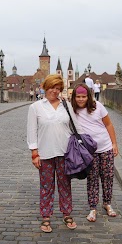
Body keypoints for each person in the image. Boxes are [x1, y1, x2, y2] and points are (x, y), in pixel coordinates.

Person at [27, 74, 82, 233]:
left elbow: (76, 127)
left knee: (65, 185)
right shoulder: (36, 107)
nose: (55, 91)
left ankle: (67, 214)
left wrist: (81, 147)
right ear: (45, 87)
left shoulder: (66, 105)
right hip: (45, 153)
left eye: (58, 88)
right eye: (52, 87)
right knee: (46, 186)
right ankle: (46, 216)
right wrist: (34, 153)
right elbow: (32, 131)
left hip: (65, 152)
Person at [71, 83, 119, 222]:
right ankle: (93, 208)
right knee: (92, 179)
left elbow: (108, 124)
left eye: (83, 96)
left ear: (88, 96)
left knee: (107, 176)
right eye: (78, 96)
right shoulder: (72, 110)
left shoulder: (98, 106)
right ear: (74, 97)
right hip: (88, 151)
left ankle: (107, 203)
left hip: (105, 147)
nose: (81, 99)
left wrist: (114, 143)